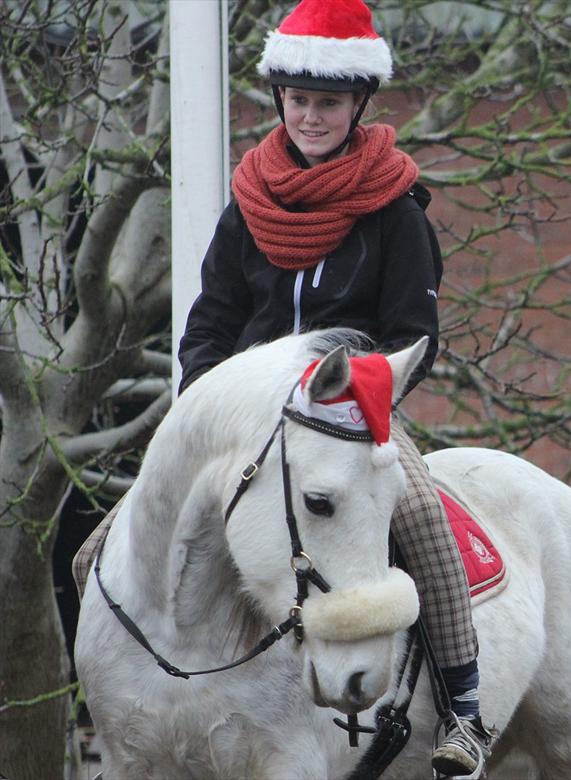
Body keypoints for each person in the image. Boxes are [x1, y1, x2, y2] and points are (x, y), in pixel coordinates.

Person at [77, 0, 494, 775]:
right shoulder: (249, 202)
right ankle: (105, 693)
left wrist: (349, 399)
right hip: (243, 425)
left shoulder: (397, 215)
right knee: (99, 552)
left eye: (327, 103)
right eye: (298, 100)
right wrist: (211, 408)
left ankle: (464, 709)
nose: (309, 115)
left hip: (348, 415)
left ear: (357, 104)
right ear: (280, 99)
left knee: (425, 516)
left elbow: (416, 338)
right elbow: (208, 326)